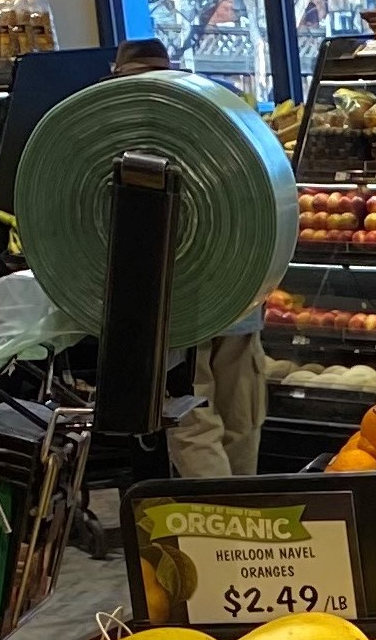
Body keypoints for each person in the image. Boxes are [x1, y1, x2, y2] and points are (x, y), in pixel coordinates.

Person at [109, 39, 267, 479]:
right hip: (243, 284)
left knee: (193, 416)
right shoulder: (216, 118)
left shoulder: (117, 131)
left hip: (178, 296)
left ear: (119, 76)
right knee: (242, 417)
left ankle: (217, 530)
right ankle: (249, 522)